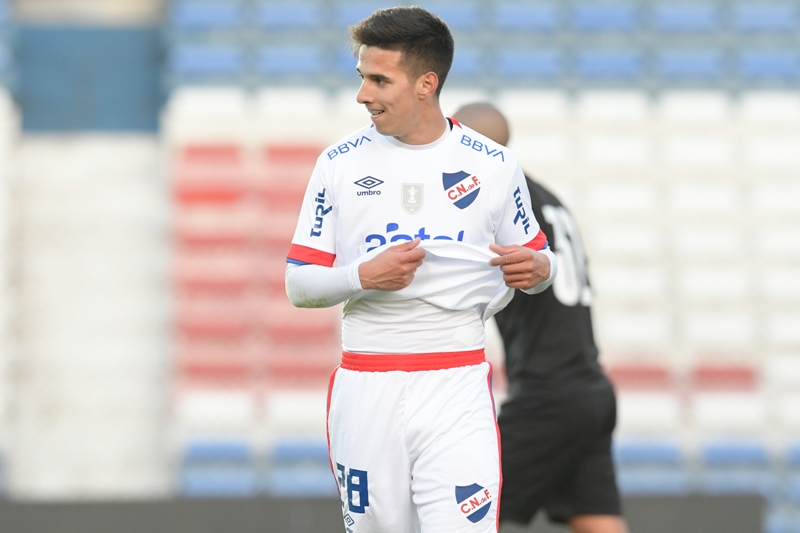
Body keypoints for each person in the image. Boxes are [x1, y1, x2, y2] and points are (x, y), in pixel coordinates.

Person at [284, 7, 557, 533]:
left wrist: (538, 268)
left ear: (426, 84)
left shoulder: (494, 164)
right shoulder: (338, 164)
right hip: (368, 385)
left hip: (456, 382)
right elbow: (299, 283)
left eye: (379, 79)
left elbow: (538, 264)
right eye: (362, 77)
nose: (363, 94)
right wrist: (364, 276)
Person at [452, 103, 627, 533]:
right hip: (589, 390)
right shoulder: (548, 200)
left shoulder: (489, 200)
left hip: (547, 394)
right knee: (597, 519)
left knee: (467, 513)